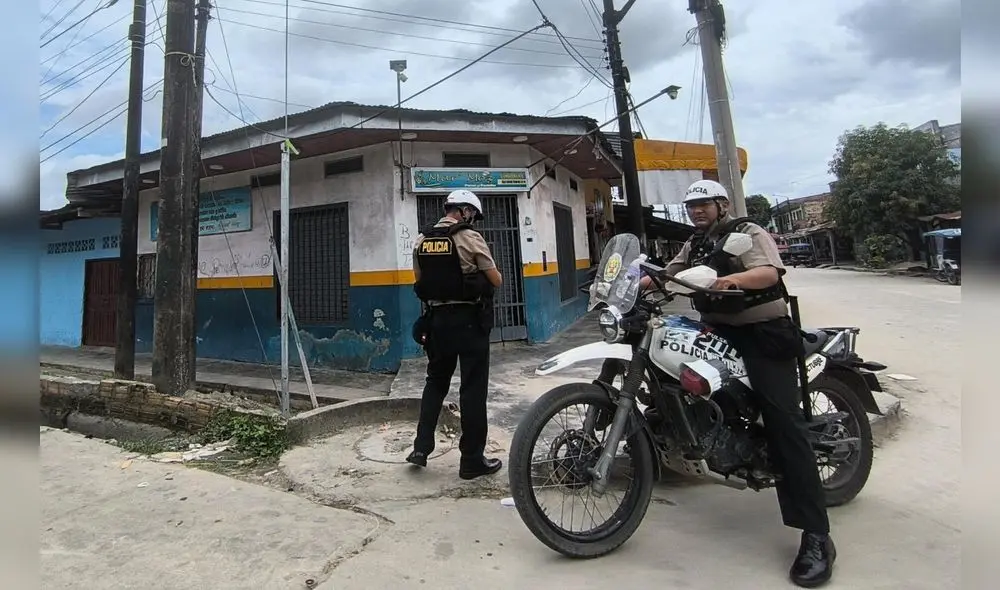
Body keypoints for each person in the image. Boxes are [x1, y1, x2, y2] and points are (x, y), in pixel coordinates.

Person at [640, 179, 836, 588]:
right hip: (718, 331)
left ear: (722, 204)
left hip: (763, 333)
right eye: (691, 205)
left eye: (703, 204)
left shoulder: (748, 232)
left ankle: (817, 535)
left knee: (783, 423)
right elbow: (669, 274)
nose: (696, 211)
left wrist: (731, 281)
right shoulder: (696, 243)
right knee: (677, 382)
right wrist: (631, 286)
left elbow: (768, 272)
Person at [406, 189, 504, 480]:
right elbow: (496, 279)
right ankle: (472, 460)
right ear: (464, 211)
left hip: (436, 321)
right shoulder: (470, 237)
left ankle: (421, 449)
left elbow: (419, 280)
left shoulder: (422, 240)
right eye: (472, 213)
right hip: (469, 322)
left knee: (435, 383)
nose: (473, 218)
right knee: (472, 389)